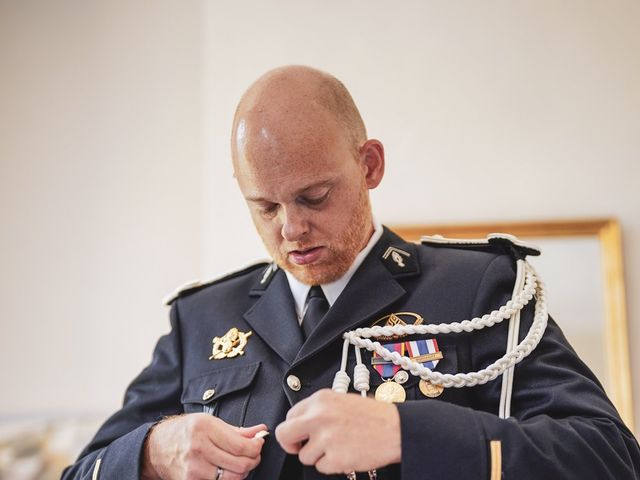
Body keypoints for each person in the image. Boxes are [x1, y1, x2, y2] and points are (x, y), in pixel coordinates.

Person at [63, 65, 640, 480]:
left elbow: (609, 456)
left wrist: (405, 435)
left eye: (313, 197)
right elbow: (81, 472)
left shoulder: (479, 288)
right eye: (264, 207)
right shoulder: (201, 317)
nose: (290, 229)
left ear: (369, 165)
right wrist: (151, 453)